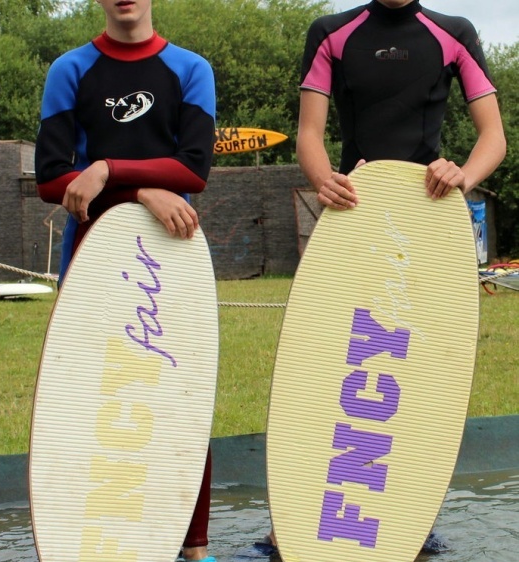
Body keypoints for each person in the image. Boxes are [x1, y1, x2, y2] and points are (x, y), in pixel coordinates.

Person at [237, 0, 506, 558]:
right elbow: (309, 131)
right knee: (329, 367)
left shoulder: (453, 33)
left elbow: (493, 137)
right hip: (353, 215)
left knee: (410, 374)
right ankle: (296, 514)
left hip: (427, 223)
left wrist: (462, 176)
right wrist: (321, 178)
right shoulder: (333, 32)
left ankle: (406, 516)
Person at [34, 0, 217, 560]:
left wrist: (110, 169)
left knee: (180, 396)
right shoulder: (71, 69)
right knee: (86, 398)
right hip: (91, 253)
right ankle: (83, 540)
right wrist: (141, 191)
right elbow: (49, 178)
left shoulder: (190, 69)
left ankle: (192, 544)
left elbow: (193, 171)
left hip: (173, 252)